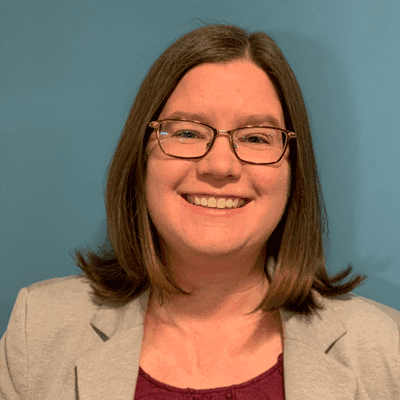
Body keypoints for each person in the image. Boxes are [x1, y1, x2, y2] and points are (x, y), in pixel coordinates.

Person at [1, 24, 399, 400]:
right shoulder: (38, 330)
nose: (219, 166)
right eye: (188, 132)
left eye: (257, 137)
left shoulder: (384, 351)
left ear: (294, 172)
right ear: (141, 160)